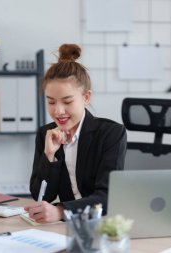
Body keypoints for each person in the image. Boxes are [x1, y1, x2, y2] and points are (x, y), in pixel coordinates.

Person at [24, 44, 127, 223]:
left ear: (86, 97)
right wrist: (50, 157)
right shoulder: (46, 134)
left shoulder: (111, 134)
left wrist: (61, 211)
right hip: (66, 229)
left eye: (67, 101)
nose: (58, 111)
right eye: (51, 102)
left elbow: (107, 197)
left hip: (102, 224)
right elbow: (41, 197)